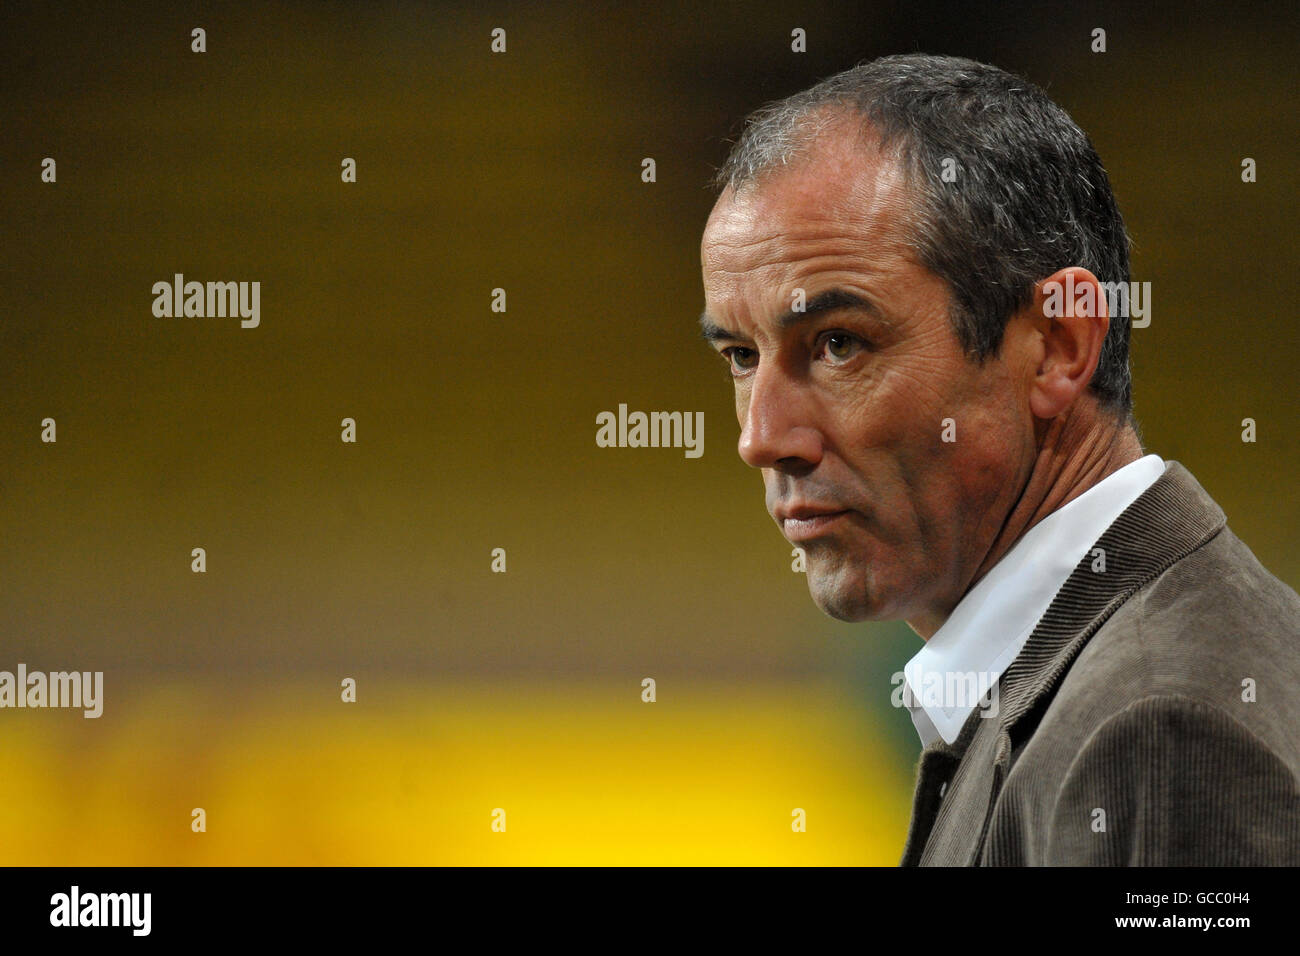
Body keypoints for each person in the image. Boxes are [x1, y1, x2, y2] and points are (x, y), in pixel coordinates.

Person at [698, 53, 1300, 865]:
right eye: (740, 356)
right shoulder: (1073, 688)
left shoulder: (1158, 733)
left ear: (1057, 346)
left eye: (838, 345)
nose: (761, 437)